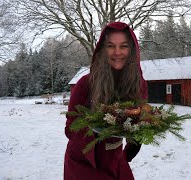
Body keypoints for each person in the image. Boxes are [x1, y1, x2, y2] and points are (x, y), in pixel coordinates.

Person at [64, 22, 148, 180]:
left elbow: (139, 120)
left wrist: (130, 149)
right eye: (111, 46)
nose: (117, 52)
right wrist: (97, 131)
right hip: (84, 162)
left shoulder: (138, 85)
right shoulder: (86, 84)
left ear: (132, 50)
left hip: (116, 159)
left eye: (123, 46)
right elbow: (70, 128)